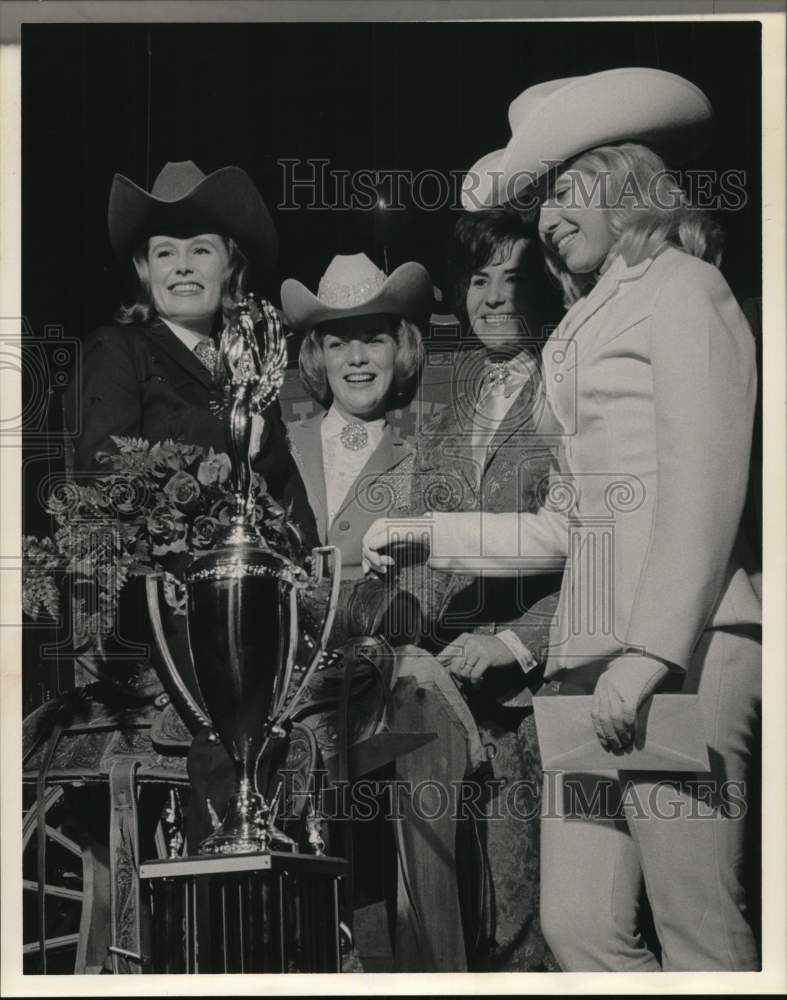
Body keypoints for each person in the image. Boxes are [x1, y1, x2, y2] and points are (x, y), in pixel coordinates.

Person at [363, 68, 761, 972]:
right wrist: (430, 530)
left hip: (677, 661)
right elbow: (563, 524)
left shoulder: (685, 290)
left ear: (629, 185)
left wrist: (650, 653)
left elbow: (705, 484)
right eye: (543, 201)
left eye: (567, 193)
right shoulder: (582, 325)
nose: (547, 219)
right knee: (577, 929)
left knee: (698, 926)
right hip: (582, 669)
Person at [281, 252, 485, 972]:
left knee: (420, 721)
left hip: (383, 665)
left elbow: (434, 584)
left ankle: (432, 967)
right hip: (281, 672)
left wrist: (371, 606)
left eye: (371, 338)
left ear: (400, 349)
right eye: (338, 341)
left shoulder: (427, 451)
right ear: (317, 355)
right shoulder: (279, 444)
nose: (356, 357)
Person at [399, 206, 563, 971]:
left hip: (541, 698)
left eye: (515, 276)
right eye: (478, 278)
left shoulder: (572, 386)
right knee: (455, 917)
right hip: (448, 699)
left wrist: (513, 642)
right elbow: (428, 547)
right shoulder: (443, 399)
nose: (495, 296)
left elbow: (600, 550)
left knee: (529, 923)